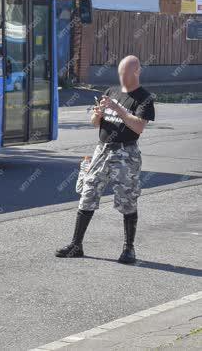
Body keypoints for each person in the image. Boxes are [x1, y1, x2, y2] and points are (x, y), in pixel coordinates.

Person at [55, 55, 155, 264]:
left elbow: (138, 127)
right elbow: (94, 123)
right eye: (120, 73)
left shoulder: (144, 98)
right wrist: (98, 113)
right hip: (102, 150)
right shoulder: (111, 92)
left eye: (126, 73)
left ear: (136, 72)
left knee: (127, 200)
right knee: (88, 193)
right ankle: (76, 244)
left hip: (126, 153)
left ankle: (129, 249)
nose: (122, 77)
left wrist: (118, 109)